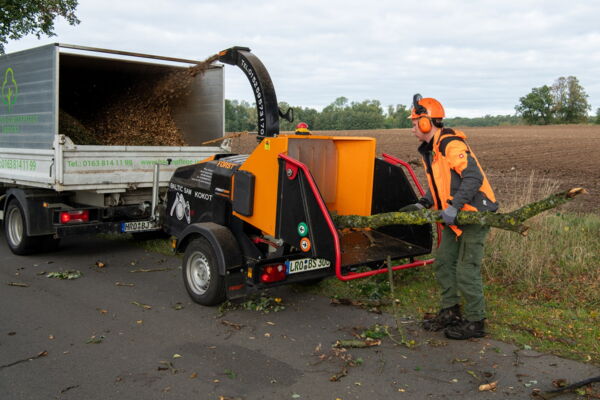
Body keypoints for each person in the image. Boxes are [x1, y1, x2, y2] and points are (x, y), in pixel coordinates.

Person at [401, 94, 499, 340]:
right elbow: (439, 184)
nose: (413, 129)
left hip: (474, 216)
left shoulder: (450, 144)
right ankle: (450, 311)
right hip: (455, 218)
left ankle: (476, 321)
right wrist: (424, 202)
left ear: (426, 123)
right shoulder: (431, 150)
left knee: (467, 270)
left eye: (414, 124)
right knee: (444, 262)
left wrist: (454, 206)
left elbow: (473, 178)